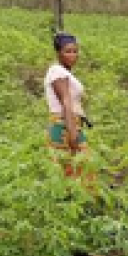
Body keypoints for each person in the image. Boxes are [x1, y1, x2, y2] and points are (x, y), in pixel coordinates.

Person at [45, 33, 90, 178]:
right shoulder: (58, 72)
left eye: (75, 51)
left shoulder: (64, 72)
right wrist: (73, 134)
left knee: (73, 171)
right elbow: (65, 102)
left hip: (69, 124)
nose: (73, 55)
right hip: (64, 126)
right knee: (79, 169)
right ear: (58, 53)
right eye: (68, 51)